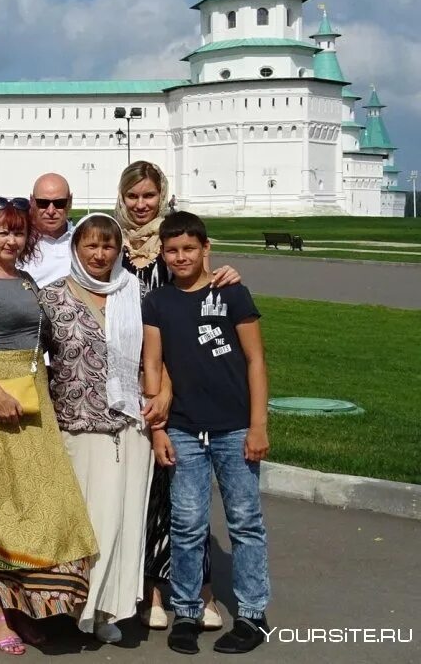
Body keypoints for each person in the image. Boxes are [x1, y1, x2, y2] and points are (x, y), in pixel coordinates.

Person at [0, 197, 97, 654]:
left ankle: (23, 606)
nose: (11, 240)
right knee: (0, 508)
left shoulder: (28, 281)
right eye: (2, 232)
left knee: (43, 503)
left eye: (18, 232)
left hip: (34, 399)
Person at [115, 161, 239, 630]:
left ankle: (201, 589)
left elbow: (204, 288)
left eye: (149, 195)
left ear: (162, 196)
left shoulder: (173, 245)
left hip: (177, 379)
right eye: (133, 196)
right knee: (145, 490)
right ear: (122, 198)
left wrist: (226, 272)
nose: (141, 204)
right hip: (127, 382)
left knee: (182, 489)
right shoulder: (115, 247)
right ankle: (151, 590)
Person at [143, 212, 270, 655]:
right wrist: (158, 429)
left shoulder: (231, 292)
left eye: (189, 249)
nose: (181, 257)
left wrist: (258, 425)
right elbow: (154, 366)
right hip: (182, 428)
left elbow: (255, 360)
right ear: (163, 253)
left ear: (205, 248)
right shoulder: (158, 302)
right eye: (172, 250)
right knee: (187, 523)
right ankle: (187, 612)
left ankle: (253, 614)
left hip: (235, 428)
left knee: (244, 522)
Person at [34, 214, 154, 644]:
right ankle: (69, 608)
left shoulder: (136, 295)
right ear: (76, 249)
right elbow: (29, 355)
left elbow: (157, 357)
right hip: (78, 427)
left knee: (122, 522)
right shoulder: (51, 298)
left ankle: (109, 610)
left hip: (131, 428)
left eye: (108, 246)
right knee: (83, 524)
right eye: (91, 245)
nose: (100, 254)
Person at [21, 172, 76, 287]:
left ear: (70, 201)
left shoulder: (81, 239)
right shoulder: (19, 242)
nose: (51, 211)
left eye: (59, 203)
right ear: (32, 201)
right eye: (43, 203)